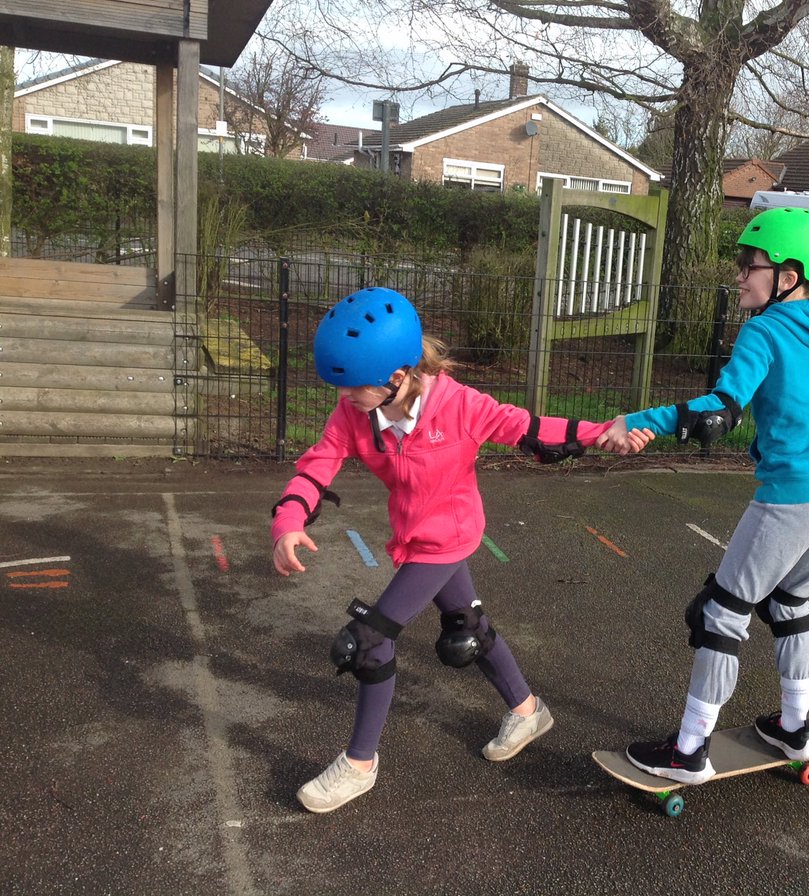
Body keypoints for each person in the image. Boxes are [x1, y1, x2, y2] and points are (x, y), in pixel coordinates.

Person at [272, 286, 649, 813]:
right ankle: (528, 710)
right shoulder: (354, 412)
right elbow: (319, 463)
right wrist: (289, 521)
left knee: (369, 640)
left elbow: (532, 428)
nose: (345, 395)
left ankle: (358, 765)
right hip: (412, 537)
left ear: (396, 376)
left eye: (355, 384)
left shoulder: (461, 406)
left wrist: (606, 432)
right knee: (466, 627)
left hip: (448, 539)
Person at [597, 207, 809, 783]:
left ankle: (688, 752)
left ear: (788, 276)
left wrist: (638, 419)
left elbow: (720, 411)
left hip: (794, 496)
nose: (739, 276)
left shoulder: (765, 331)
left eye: (750, 266)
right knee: (789, 605)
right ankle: (794, 729)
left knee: (721, 614)